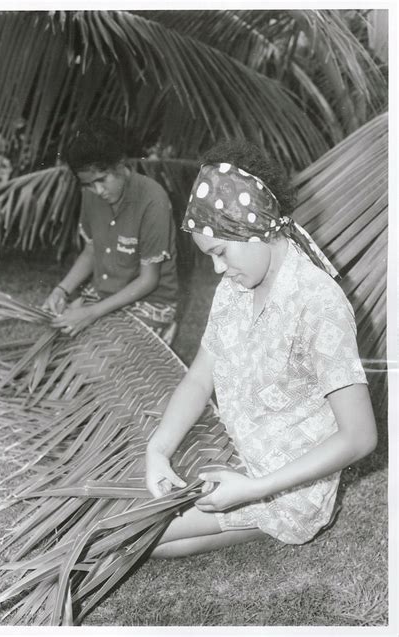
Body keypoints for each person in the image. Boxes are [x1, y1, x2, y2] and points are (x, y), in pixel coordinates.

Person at [145, 141, 377, 558]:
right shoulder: (235, 287)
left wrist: (253, 489)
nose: (218, 268)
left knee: (143, 535)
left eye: (219, 253)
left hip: (285, 488)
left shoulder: (317, 302)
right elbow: (200, 378)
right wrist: (157, 451)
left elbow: (360, 437)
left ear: (255, 230)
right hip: (238, 453)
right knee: (144, 535)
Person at [43, 119, 178, 344]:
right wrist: (62, 290)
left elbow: (149, 281)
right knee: (54, 345)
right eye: (88, 184)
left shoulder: (153, 199)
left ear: (120, 165)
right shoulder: (91, 194)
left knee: (97, 367)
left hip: (150, 301)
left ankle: (162, 332)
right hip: (103, 295)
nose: (98, 191)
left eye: (102, 180)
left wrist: (90, 314)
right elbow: (92, 248)